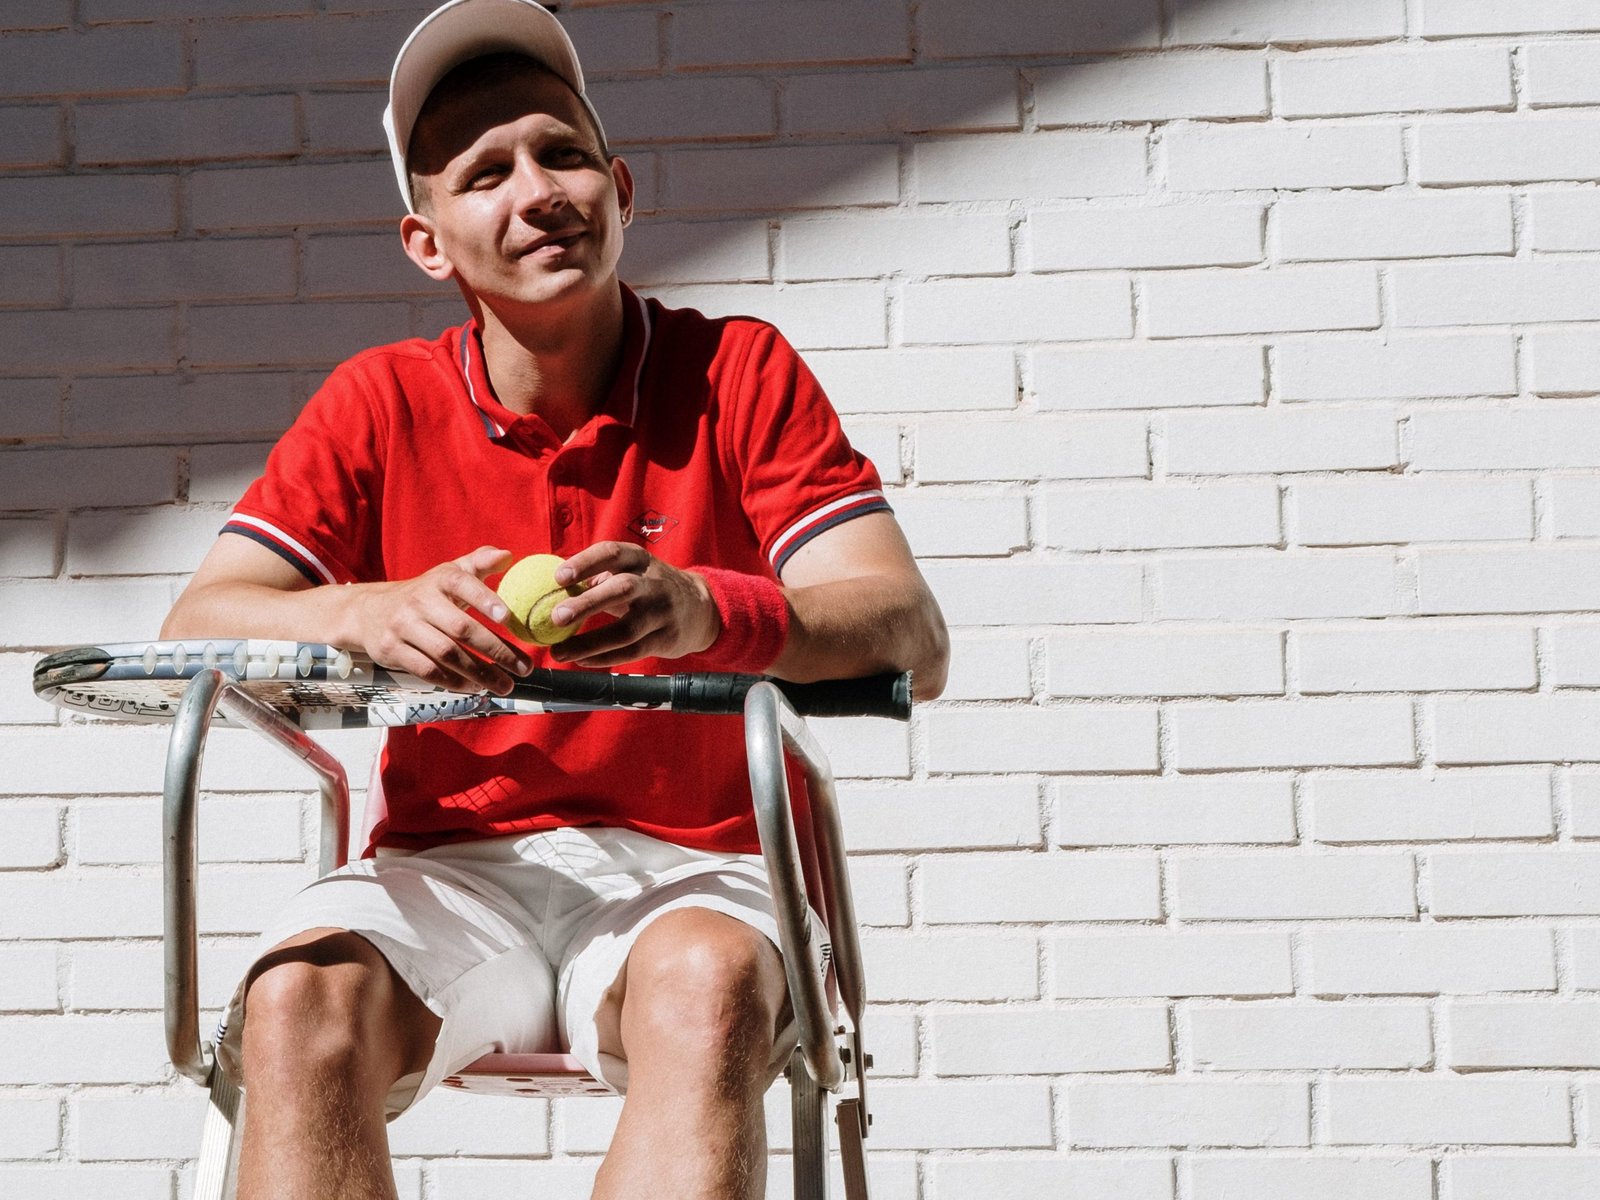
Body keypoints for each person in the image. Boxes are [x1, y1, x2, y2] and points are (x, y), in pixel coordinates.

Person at [160, 1, 948, 1196]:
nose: (538, 191)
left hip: (701, 865)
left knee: (713, 985)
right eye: (485, 172)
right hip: (453, 862)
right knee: (297, 1002)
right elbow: (200, 620)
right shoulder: (378, 398)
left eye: (563, 154)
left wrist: (707, 613)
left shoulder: (739, 372)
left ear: (621, 188)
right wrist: (367, 612)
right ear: (428, 242)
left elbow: (907, 632)